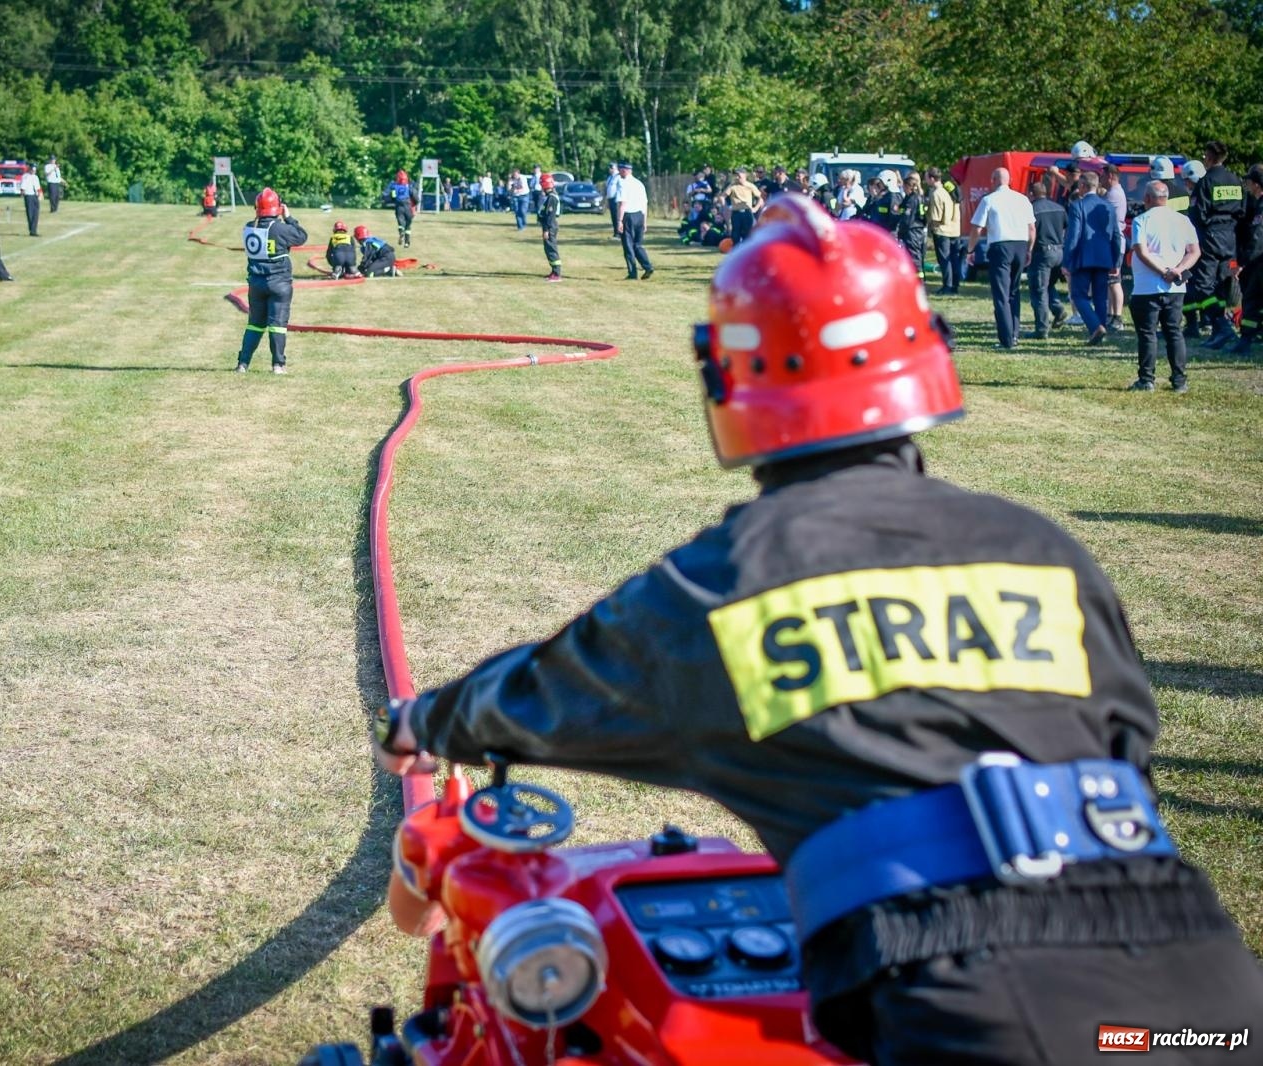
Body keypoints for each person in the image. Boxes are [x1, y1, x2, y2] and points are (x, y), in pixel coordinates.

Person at [374, 192, 1263, 1065]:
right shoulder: (1043, 550)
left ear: (728, 373)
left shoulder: (722, 585)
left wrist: (428, 722)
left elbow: (555, 692)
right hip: (1207, 994)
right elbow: (1126, 747)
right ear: (925, 349)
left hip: (981, 1006)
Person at [1128, 180, 1201, 392]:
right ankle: (1179, 380)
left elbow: (1141, 252)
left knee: (1147, 334)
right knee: (1174, 333)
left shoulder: (1141, 220)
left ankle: (1146, 379)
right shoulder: (1182, 220)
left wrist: (1163, 272)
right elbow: (1194, 251)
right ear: (1166, 198)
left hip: (1146, 287)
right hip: (1176, 289)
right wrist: (1178, 270)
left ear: (1148, 199)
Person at [234, 188, 306, 374]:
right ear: (278, 207)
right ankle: (278, 365)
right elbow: (301, 236)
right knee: (278, 325)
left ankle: (243, 363)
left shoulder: (249, 227)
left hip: (256, 284)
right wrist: (289, 217)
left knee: (254, 324)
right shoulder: (281, 228)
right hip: (279, 283)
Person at [1184, 141, 1245, 348]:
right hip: (1231, 237)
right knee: (1220, 286)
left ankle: (1222, 325)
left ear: (1209, 158)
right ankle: (1219, 332)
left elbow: (1197, 213)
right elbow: (1243, 210)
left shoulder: (1206, 181)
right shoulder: (1235, 180)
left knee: (1201, 286)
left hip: (1210, 236)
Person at [967, 167, 1035, 349]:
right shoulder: (1023, 199)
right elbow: (1031, 229)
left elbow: (977, 228)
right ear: (1009, 180)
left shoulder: (989, 200)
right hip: (1020, 245)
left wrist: (970, 249)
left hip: (1000, 246)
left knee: (1001, 294)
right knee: (1014, 291)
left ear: (993, 180)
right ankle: (1014, 334)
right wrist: (1029, 250)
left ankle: (1006, 339)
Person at [1063, 171, 1122, 345]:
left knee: (1079, 295)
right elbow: (1116, 235)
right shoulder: (1108, 207)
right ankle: (1100, 329)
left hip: (1083, 258)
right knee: (1100, 297)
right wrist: (1116, 260)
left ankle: (1096, 327)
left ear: (1082, 186)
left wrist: (1067, 260)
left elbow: (1073, 236)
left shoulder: (1077, 206)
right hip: (1104, 258)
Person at [1027, 181, 1069, 338]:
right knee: (1049, 285)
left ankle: (1041, 329)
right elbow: (1067, 227)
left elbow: (1031, 232)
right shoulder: (1059, 207)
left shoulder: (1032, 210)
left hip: (1042, 253)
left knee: (1039, 291)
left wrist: (1028, 250)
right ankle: (1058, 310)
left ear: (1031, 193)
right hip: (1059, 251)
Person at [1231, 165, 1263, 357]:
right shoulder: (1255, 204)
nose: (1247, 185)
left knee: (1251, 300)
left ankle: (1245, 341)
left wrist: (1241, 263)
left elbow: (1258, 237)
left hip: (1258, 263)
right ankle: (1248, 337)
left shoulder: (1261, 206)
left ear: (1257, 184)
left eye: (1249, 182)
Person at [614, 161, 653, 280]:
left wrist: (619, 221)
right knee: (638, 245)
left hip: (628, 216)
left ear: (624, 170)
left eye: (620, 170)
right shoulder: (639, 184)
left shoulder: (623, 184)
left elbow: (622, 204)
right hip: (640, 216)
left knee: (628, 246)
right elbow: (645, 204)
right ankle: (647, 266)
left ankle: (632, 273)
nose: (619, 172)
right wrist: (645, 221)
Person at [925, 167, 962, 294]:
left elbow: (936, 217)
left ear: (931, 178)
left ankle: (947, 286)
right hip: (954, 230)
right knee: (954, 259)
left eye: (926, 177)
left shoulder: (936, 194)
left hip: (942, 231)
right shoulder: (947, 191)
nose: (925, 180)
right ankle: (955, 285)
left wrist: (929, 225)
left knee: (944, 260)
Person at [1101, 164, 1128, 332]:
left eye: (1102, 176)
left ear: (1110, 176)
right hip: (1111, 242)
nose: (1101, 180)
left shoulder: (1114, 194)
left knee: (1115, 281)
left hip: (1114, 243)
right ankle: (1111, 315)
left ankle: (1117, 317)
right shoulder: (1112, 193)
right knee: (1110, 282)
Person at [724, 168, 761, 246]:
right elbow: (722, 196)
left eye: (738, 175)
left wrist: (755, 208)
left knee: (747, 234)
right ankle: (736, 251)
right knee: (735, 234)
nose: (737, 177)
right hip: (736, 213)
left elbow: (760, 198)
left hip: (747, 212)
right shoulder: (732, 186)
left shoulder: (750, 186)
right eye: (736, 175)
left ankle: (746, 251)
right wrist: (727, 207)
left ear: (744, 175)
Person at [537, 171, 562, 282]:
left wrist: (546, 230)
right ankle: (553, 271)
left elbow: (550, 215)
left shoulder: (552, 198)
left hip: (550, 226)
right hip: (549, 226)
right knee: (548, 249)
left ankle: (557, 274)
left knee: (551, 249)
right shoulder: (550, 196)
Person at [390, 169, 416, 248]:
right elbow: (415, 197)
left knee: (401, 223)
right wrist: (415, 204)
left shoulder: (394, 187)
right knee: (408, 225)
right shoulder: (409, 187)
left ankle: (401, 232)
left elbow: (393, 197)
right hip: (408, 206)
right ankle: (407, 242)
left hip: (399, 207)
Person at [19, 162, 42, 236]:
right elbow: (23, 187)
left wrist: (40, 194)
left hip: (35, 196)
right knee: (30, 213)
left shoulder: (35, 177)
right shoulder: (26, 176)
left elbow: (38, 187)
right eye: (32, 169)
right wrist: (22, 194)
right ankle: (32, 230)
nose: (33, 171)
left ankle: (34, 229)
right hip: (28, 195)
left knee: (36, 213)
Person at [604, 163, 622, 240]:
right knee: (613, 217)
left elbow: (619, 188)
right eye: (609, 168)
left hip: (616, 199)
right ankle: (615, 233)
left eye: (612, 168)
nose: (610, 169)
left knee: (617, 217)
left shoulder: (618, 177)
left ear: (616, 168)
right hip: (611, 199)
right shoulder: (610, 178)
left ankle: (619, 233)